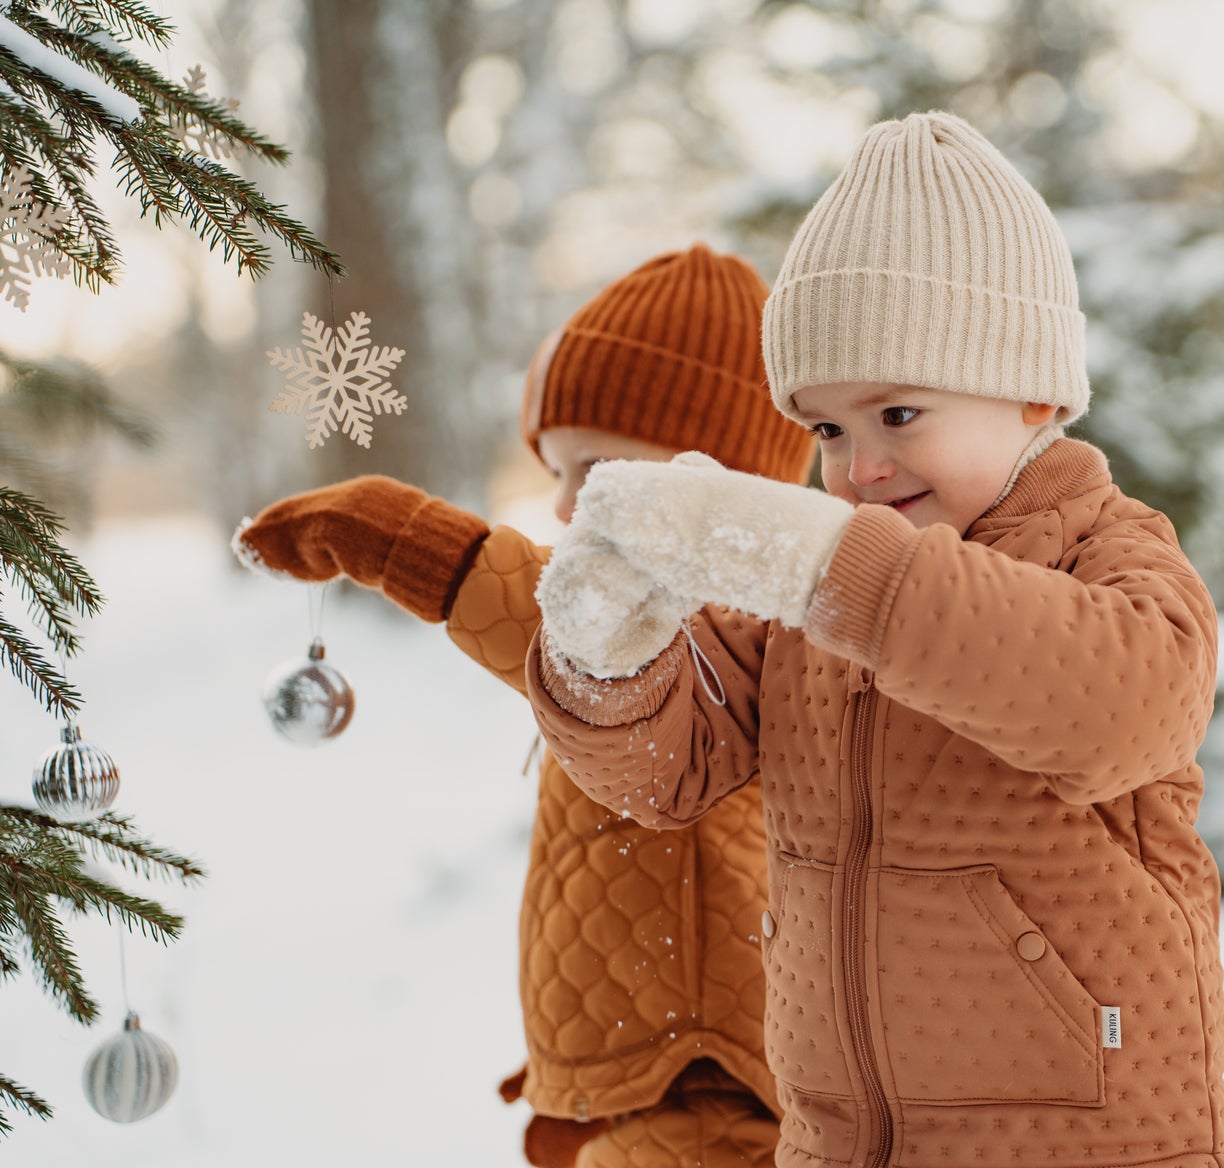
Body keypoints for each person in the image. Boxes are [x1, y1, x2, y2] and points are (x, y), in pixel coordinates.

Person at [525, 112, 1224, 1168]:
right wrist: (607, 655)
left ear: (1032, 389)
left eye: (899, 413)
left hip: (1084, 1141)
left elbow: (1121, 711)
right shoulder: (809, 610)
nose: (858, 469)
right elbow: (670, 767)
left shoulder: (1107, 554)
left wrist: (834, 568)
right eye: (827, 430)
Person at [233, 244, 812, 1168]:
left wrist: (397, 535)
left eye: (600, 467)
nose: (568, 502)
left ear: (725, 476)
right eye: (555, 470)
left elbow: (525, 610)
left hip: (704, 1087)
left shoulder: (726, 628)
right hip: (669, 1072)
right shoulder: (686, 617)